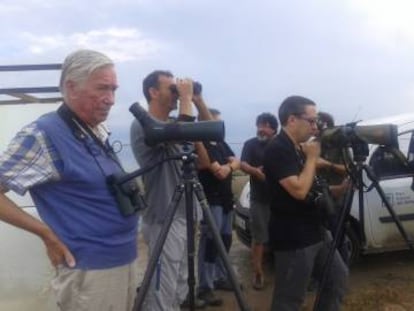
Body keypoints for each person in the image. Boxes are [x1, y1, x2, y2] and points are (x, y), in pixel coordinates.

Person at [0, 49, 139, 311]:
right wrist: (46, 234)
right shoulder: (43, 134)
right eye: (102, 89)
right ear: (71, 87)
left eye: (114, 89)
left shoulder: (93, 130)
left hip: (122, 260)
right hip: (90, 272)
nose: (110, 100)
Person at [130, 70, 212, 311]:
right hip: (164, 215)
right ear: (153, 92)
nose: (177, 94)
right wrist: (186, 99)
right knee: (161, 289)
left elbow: (206, 149)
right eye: (171, 89)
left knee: (180, 284)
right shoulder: (143, 124)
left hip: (185, 214)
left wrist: (196, 99)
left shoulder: (174, 126)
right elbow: (181, 130)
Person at [263, 95, 348, 311]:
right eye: (311, 121)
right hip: (294, 238)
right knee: (290, 300)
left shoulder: (298, 148)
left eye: (316, 121)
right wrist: (312, 158)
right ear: (292, 120)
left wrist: (339, 189)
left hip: (317, 230)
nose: (315, 126)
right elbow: (299, 190)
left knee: (336, 279)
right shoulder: (278, 148)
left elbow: (311, 187)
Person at [197, 108, 240, 305]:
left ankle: (220, 277)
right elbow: (211, 168)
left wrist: (228, 166)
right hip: (210, 200)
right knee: (210, 243)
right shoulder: (199, 143)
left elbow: (235, 161)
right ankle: (205, 286)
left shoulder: (221, 144)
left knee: (225, 241)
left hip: (225, 199)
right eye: (215, 123)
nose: (219, 128)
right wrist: (225, 167)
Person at [240, 112, 278, 290]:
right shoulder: (250, 144)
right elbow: (243, 164)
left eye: (265, 125)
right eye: (259, 125)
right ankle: (257, 272)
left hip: (280, 200)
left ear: (273, 129)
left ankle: (284, 271)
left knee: (284, 235)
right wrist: (255, 171)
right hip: (259, 199)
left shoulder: (280, 144)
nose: (261, 129)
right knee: (259, 237)